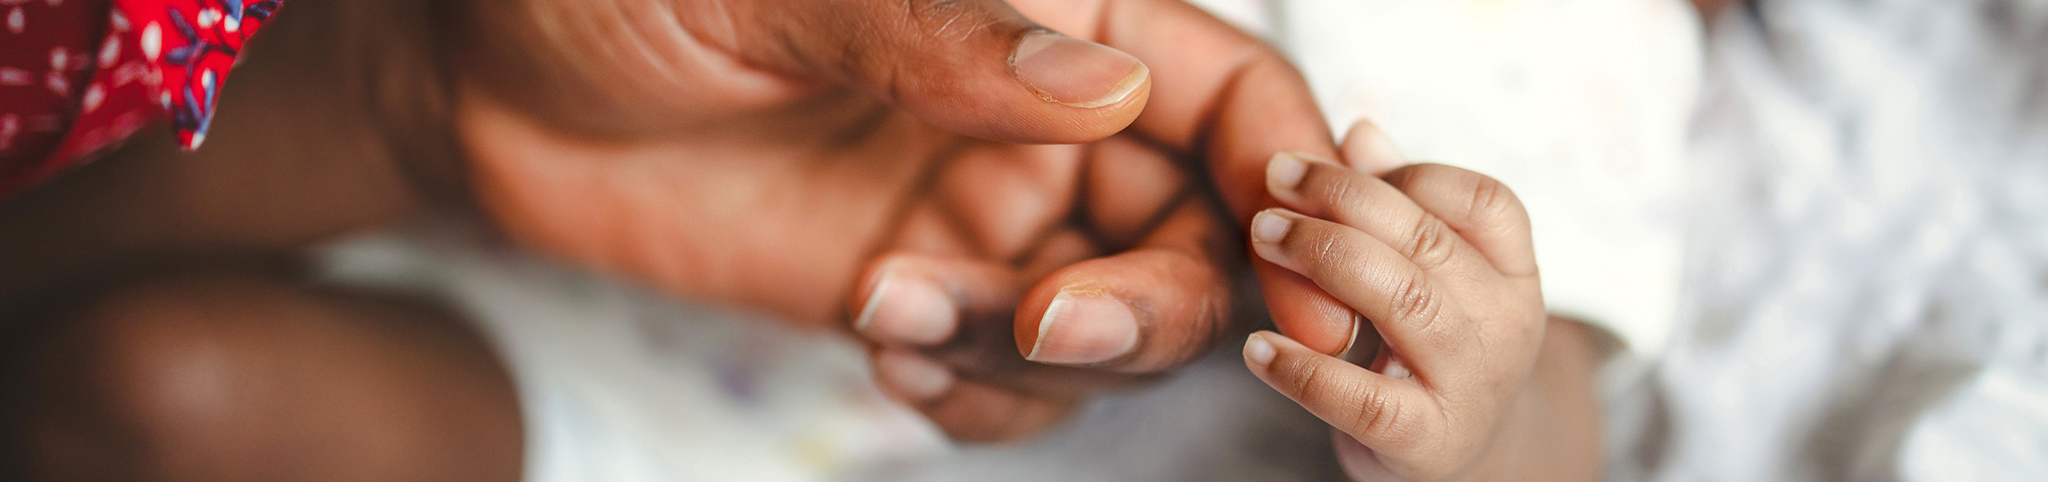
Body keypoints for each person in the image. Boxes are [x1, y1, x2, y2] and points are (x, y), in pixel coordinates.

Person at [0, 0, 1610, 481]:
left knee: (154, 394)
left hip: (752, 374)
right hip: (700, 118)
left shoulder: (1590, 50)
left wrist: (1475, 416)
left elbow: (1565, 410)